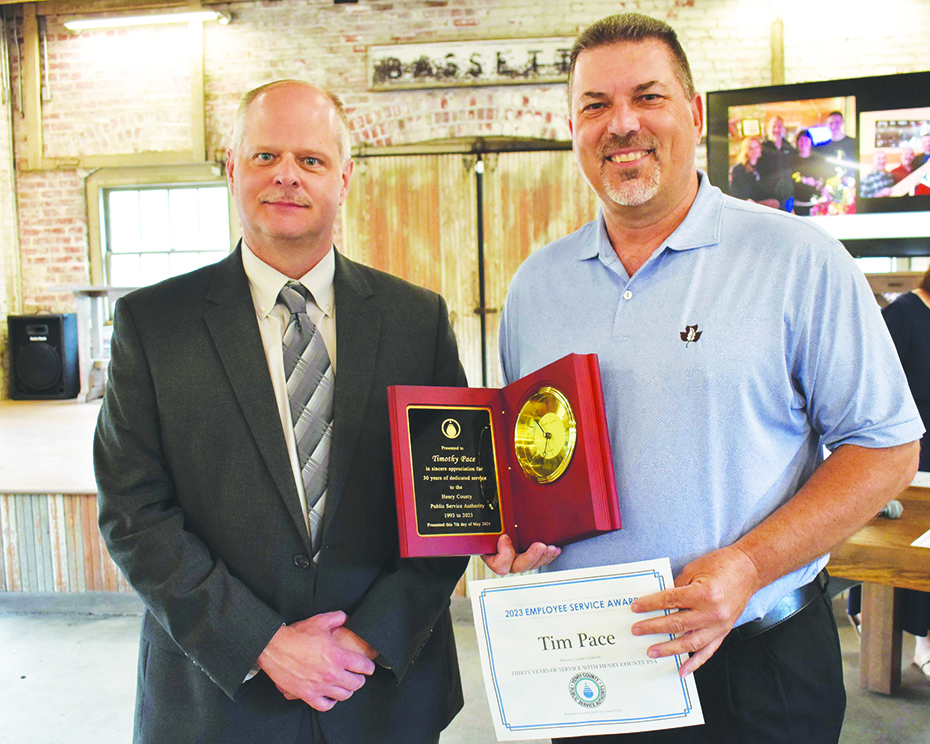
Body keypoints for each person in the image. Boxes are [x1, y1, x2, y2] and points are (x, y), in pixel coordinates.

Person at [483, 12, 922, 743]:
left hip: (756, 667)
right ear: (573, 129)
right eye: (595, 106)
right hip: (586, 662)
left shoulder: (797, 259)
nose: (620, 124)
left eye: (646, 97)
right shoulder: (537, 284)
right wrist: (507, 526)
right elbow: (529, 454)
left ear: (693, 113)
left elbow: (887, 448)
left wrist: (748, 565)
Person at [94, 80, 469, 744]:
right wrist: (260, 642)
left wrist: (366, 638)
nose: (287, 176)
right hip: (218, 699)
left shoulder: (419, 322)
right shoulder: (154, 325)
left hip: (382, 692)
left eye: (312, 160)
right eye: (265, 156)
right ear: (232, 167)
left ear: (345, 178)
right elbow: (134, 510)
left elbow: (453, 506)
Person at [849, 265, 930, 679]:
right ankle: (888, 630)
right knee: (899, 550)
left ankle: (921, 639)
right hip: (909, 451)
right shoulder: (904, 313)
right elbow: (875, 386)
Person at [755, 115, 795, 209]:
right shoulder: (762, 147)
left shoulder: (789, 147)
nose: (777, 129)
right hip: (768, 197)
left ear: (784, 129)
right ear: (768, 129)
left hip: (787, 196)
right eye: (774, 126)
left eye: (779, 126)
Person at [790, 128, 830, 216]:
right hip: (798, 205)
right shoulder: (791, 160)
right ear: (797, 143)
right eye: (801, 141)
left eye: (806, 141)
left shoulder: (819, 159)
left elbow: (825, 177)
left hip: (817, 205)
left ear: (811, 142)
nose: (803, 143)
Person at [728, 137, 773, 205]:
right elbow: (735, 192)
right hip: (746, 204)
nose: (754, 151)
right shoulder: (738, 170)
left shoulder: (765, 166)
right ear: (746, 151)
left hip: (762, 204)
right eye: (751, 148)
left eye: (756, 147)